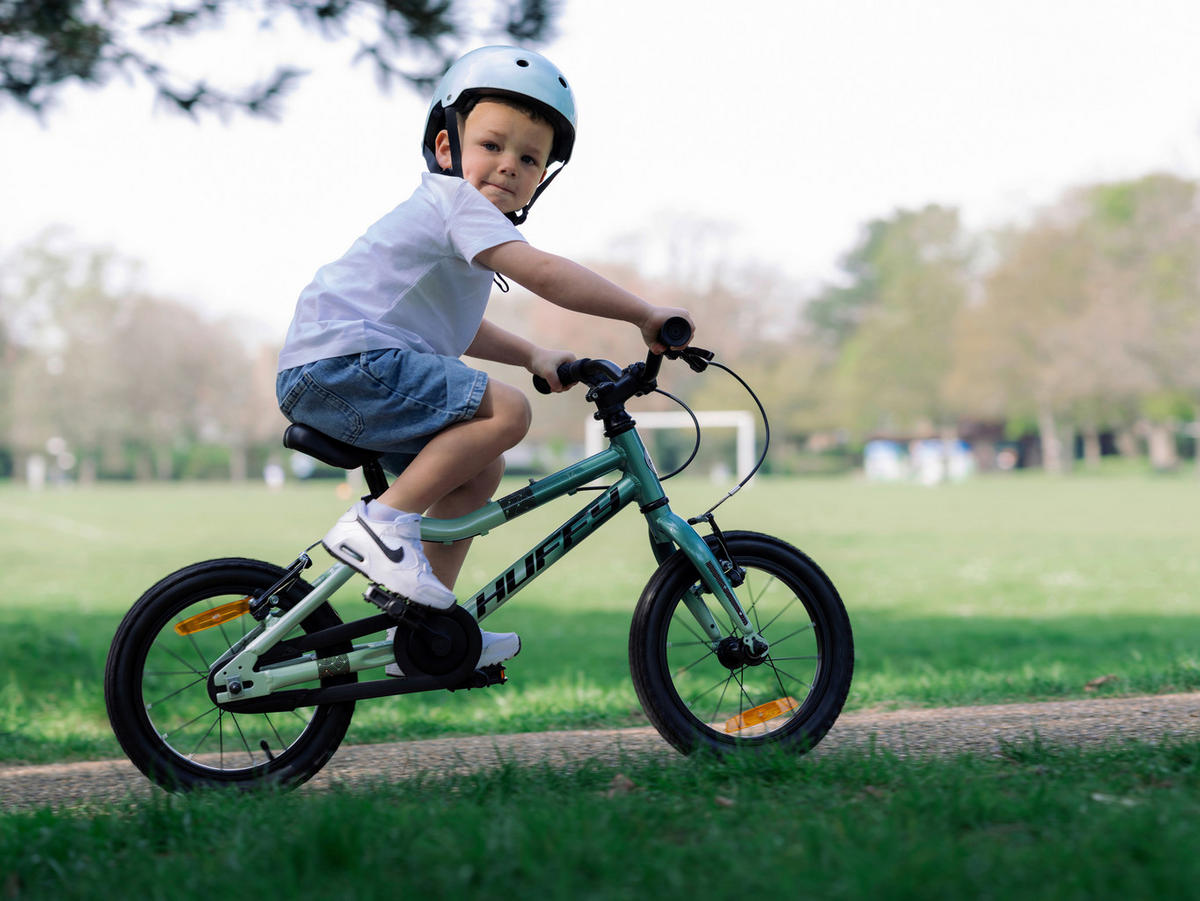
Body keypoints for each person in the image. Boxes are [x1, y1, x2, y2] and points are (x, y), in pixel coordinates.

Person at [276, 46, 691, 674]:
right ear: (447, 149)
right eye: (492, 146)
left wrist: (535, 352)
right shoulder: (455, 204)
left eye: (529, 158)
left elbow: (458, 326)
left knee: (480, 468)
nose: (508, 166)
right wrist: (644, 314)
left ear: (542, 176)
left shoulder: (456, 230)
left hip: (340, 367)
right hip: (344, 363)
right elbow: (546, 273)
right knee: (507, 410)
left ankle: (423, 623)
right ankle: (381, 526)